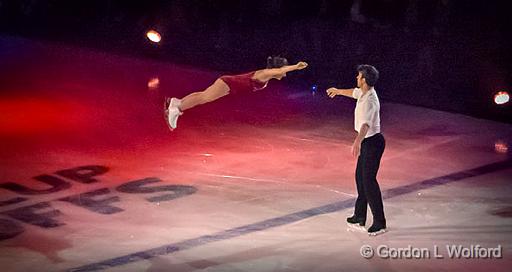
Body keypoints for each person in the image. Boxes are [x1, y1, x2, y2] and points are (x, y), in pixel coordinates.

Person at [164, 57, 308, 130]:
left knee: (203, 95)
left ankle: (176, 102)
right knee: (204, 98)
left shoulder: (266, 76)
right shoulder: (265, 74)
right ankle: (176, 109)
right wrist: (296, 66)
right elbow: (278, 71)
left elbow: (278, 71)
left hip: (228, 85)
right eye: (283, 71)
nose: (284, 75)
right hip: (228, 83)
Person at [326, 64, 386, 235]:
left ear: (364, 80)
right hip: (368, 142)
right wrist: (337, 91)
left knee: (369, 181)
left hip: (372, 143)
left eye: (359, 76)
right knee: (360, 178)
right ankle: (360, 216)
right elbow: (353, 91)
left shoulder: (370, 100)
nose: (356, 78)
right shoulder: (364, 92)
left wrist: (357, 141)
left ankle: (380, 222)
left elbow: (366, 125)